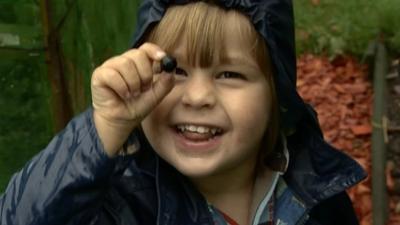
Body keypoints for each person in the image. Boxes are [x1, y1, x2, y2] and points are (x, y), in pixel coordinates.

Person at [0, 0, 366, 225]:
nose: (198, 96)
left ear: (277, 94)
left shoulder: (319, 194)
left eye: (229, 74)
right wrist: (105, 126)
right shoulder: (120, 205)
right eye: (174, 69)